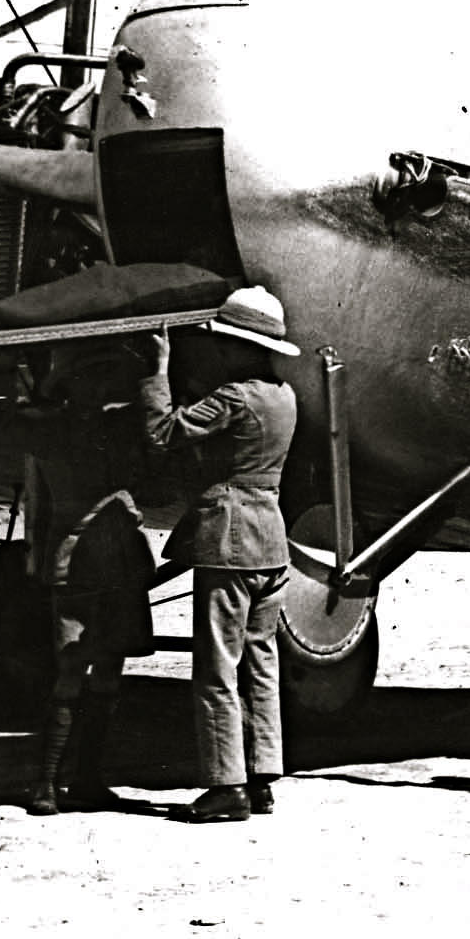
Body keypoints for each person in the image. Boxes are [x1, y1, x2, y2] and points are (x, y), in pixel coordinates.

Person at [140, 286, 298, 824]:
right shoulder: (284, 396)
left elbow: (162, 433)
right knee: (260, 663)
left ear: (239, 346)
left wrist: (157, 372)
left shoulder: (235, 398)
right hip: (270, 538)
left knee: (216, 668)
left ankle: (226, 785)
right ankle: (261, 775)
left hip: (229, 539)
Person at [0, 336, 157, 816]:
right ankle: (50, 781)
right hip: (95, 560)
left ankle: (77, 778)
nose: (101, 387)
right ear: (70, 385)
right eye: (91, 377)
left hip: (103, 560)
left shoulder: (72, 427)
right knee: (73, 670)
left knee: (104, 670)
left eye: (106, 377)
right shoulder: (75, 430)